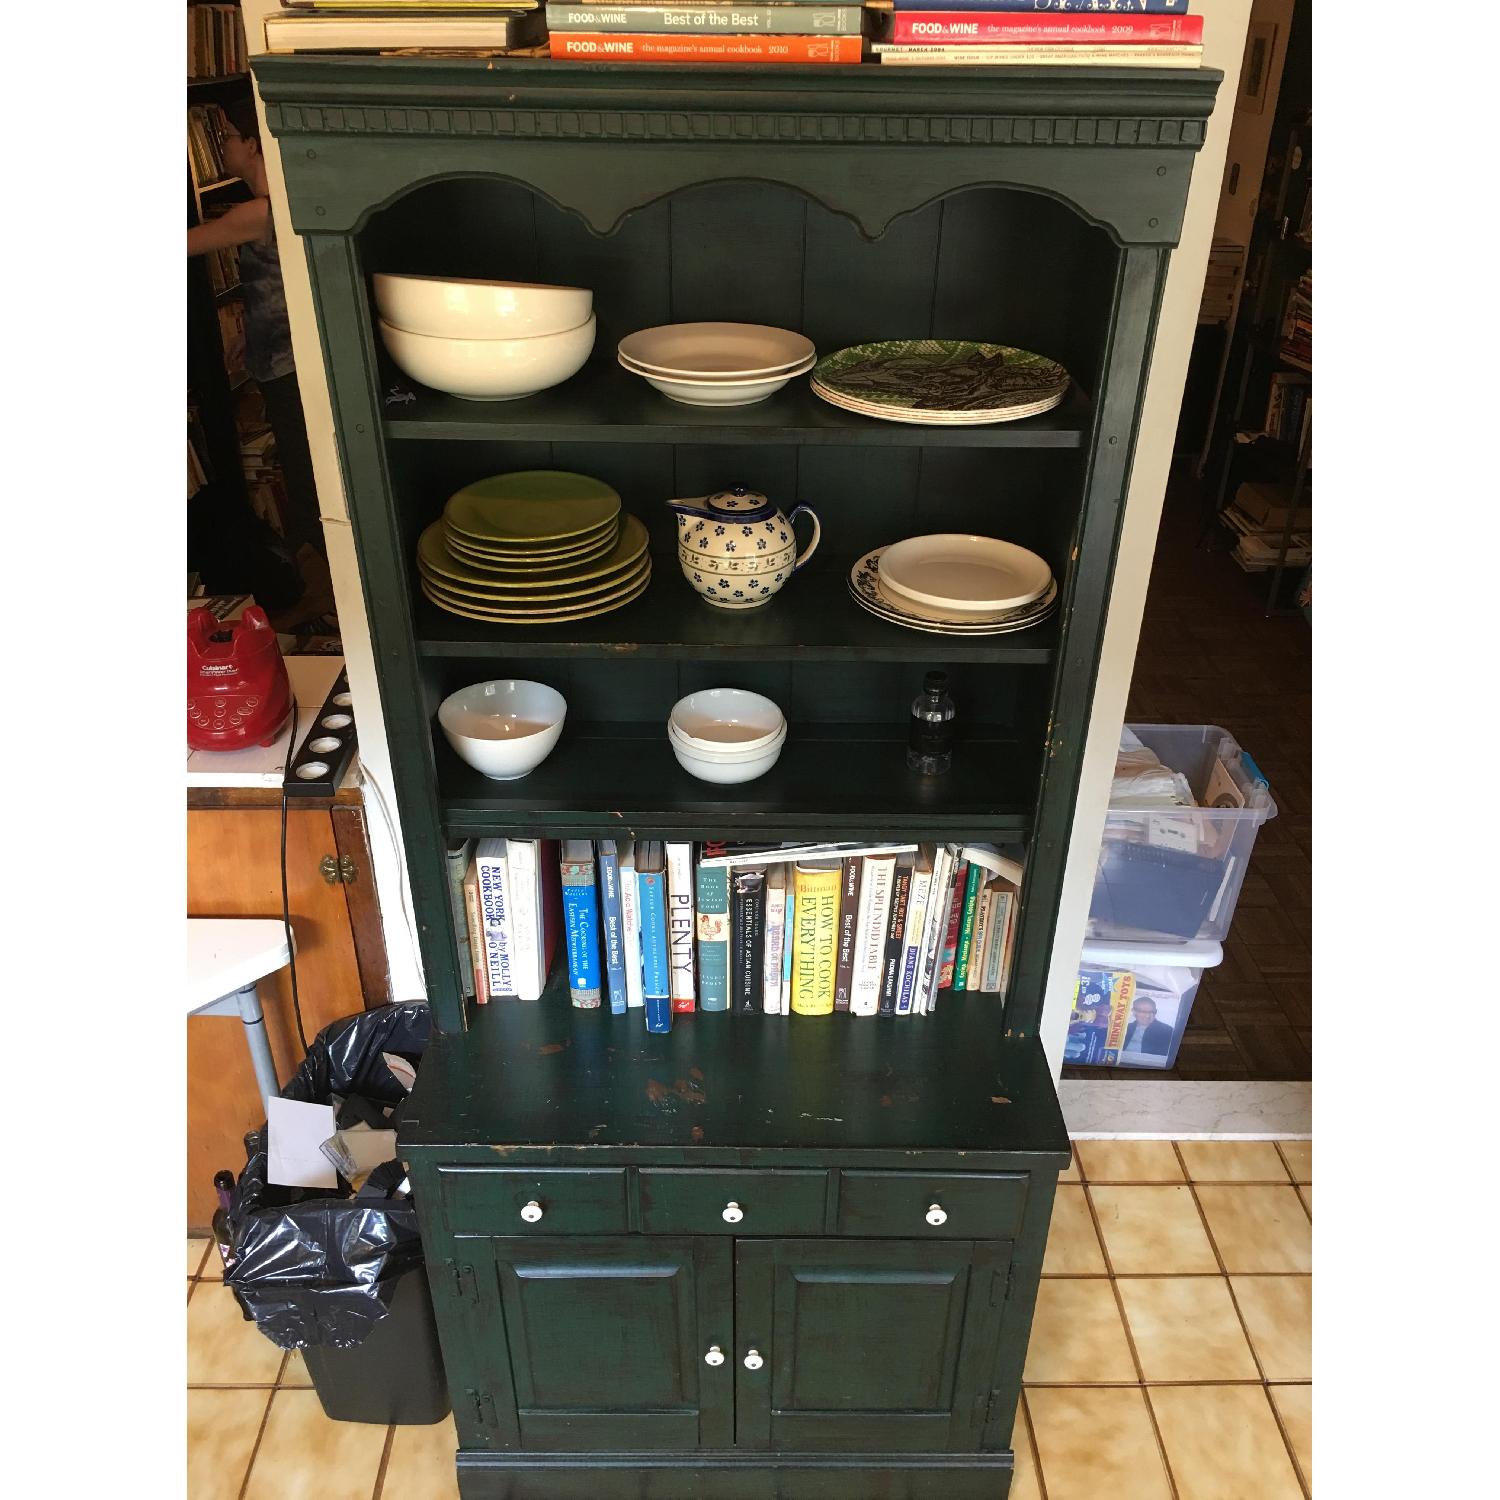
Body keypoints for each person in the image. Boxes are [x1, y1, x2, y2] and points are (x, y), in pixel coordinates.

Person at [188, 101, 324, 563]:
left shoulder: (259, 212)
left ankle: (326, 573)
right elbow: (278, 283)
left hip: (287, 364)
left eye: (223, 137)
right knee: (301, 465)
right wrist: (249, 333)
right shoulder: (280, 201)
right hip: (280, 357)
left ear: (252, 144)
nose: (217, 147)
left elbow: (187, 244)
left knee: (304, 475)